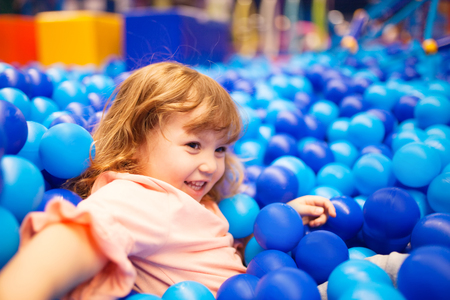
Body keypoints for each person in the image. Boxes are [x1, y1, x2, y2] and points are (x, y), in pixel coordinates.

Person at [0, 62, 336, 300]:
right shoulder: (140, 197)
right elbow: (73, 239)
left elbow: (205, 250)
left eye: (220, 149)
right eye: (193, 145)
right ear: (134, 143)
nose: (210, 165)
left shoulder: (190, 202)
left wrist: (276, 224)